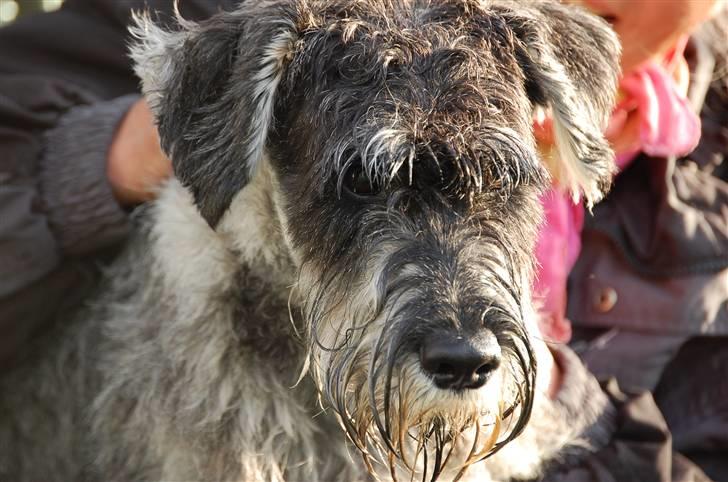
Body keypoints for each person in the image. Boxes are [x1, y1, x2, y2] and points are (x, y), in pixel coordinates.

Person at [0, 0, 725, 480]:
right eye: (360, 190)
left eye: (503, 183)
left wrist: (562, 404)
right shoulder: (259, 35)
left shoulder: (709, 153)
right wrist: (110, 161)